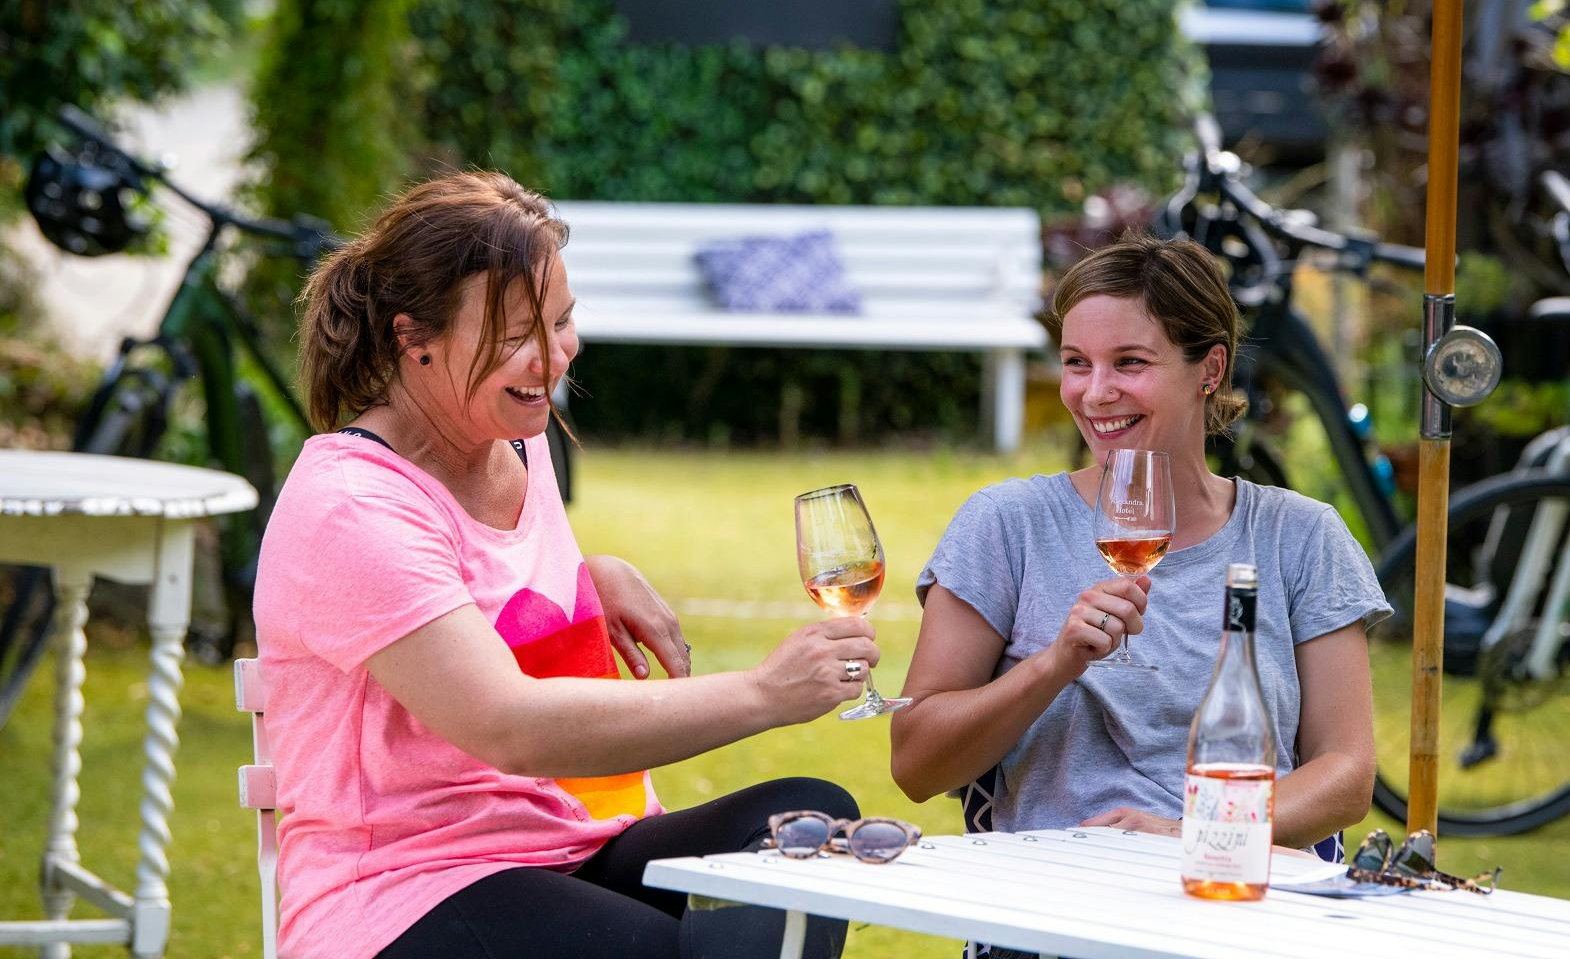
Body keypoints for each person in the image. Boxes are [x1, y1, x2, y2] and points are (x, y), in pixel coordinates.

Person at [255, 171, 879, 959]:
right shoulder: (351, 505)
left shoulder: (514, 440)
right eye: (518, 334)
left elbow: (478, 580)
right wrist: (762, 694)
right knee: (682, 949)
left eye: (563, 321)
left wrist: (594, 569)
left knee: (811, 823)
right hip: (405, 890)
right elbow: (507, 725)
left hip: (568, 847)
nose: (554, 358)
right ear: (415, 341)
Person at [890, 232, 1388, 851]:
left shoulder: (1301, 537)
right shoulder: (1006, 524)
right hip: (1056, 905)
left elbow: (1345, 776)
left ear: (1210, 368)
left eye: (1129, 362)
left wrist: (1187, 835)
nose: (1095, 392)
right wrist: (1055, 664)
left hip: (1235, 900)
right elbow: (916, 766)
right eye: (1077, 362)